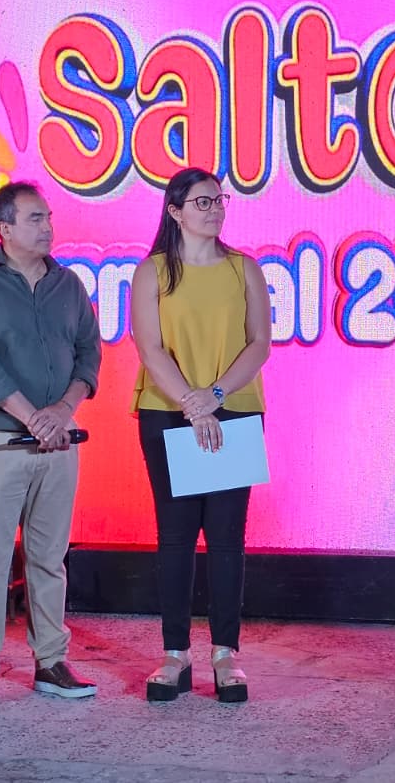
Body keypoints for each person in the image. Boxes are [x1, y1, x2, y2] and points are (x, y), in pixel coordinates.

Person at [0, 181, 102, 708]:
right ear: (4, 227)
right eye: (36, 218)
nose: (48, 226)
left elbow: (88, 353)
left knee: (50, 557)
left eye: (49, 217)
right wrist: (33, 417)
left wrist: (62, 412)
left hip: (57, 442)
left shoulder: (68, 285)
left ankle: (51, 661)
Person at [129, 167, 272, 703]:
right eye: (202, 202)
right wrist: (192, 405)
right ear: (175, 211)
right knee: (176, 535)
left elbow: (259, 344)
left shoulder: (243, 269)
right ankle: (175, 655)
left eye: (219, 200)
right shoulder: (153, 272)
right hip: (167, 410)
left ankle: (225, 654)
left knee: (227, 537)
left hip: (232, 409)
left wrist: (213, 397)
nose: (214, 209)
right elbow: (151, 348)